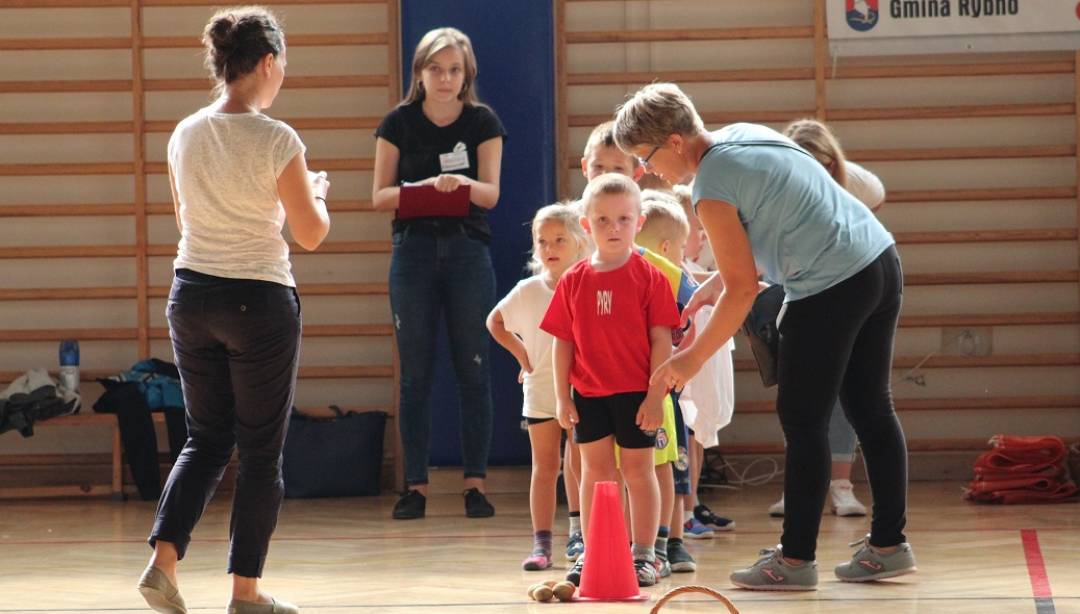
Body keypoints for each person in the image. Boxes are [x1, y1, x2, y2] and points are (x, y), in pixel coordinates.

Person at [614, 83, 915, 591]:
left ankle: (794, 559)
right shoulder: (744, 136)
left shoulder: (711, 186)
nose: (647, 172)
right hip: (879, 262)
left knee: (804, 421)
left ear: (673, 142)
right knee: (871, 407)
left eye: (644, 159)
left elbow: (744, 291)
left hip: (830, 285)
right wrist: (709, 287)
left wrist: (687, 361)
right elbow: (773, 229)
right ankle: (888, 544)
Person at [138, 7, 330, 614]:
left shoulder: (185, 131)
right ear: (268, 62)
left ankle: (162, 562)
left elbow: (185, 220)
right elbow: (311, 234)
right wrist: (317, 196)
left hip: (190, 295)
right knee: (261, 451)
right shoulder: (277, 138)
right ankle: (245, 592)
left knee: (206, 439)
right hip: (259, 301)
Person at [372, 27, 506, 520]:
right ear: (420, 73)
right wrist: (424, 187)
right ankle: (416, 486)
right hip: (414, 251)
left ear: (466, 74)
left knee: (473, 369)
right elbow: (379, 196)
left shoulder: (482, 121)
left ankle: (475, 483)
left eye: (454, 70)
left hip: (468, 250)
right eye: (435, 69)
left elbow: (490, 193)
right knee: (416, 375)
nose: (445, 78)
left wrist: (461, 183)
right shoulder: (398, 122)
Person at [541, 174, 680, 588]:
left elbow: (662, 339)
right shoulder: (573, 280)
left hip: (637, 393)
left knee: (640, 472)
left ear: (639, 223)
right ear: (586, 224)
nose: (613, 227)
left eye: (623, 219)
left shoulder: (650, 277)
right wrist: (563, 396)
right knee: (595, 476)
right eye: (602, 219)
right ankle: (596, 549)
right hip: (589, 394)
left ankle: (645, 554)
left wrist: (656, 396)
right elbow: (562, 343)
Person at [767, 118, 888, 518]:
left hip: (845, 287)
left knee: (848, 392)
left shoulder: (854, 183)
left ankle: (840, 483)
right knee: (800, 396)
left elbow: (877, 196)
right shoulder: (779, 184)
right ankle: (803, 485)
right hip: (800, 287)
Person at [486, 203, 590, 571]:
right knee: (544, 467)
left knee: (579, 463)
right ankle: (541, 542)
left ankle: (579, 535)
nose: (551, 248)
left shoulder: (589, 284)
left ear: (580, 241)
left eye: (560, 239)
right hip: (541, 391)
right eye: (542, 241)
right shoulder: (527, 290)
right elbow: (494, 322)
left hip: (581, 391)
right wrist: (521, 355)